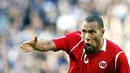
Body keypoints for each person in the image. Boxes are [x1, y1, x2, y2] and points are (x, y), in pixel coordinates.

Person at [20, 15, 130, 73]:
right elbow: (48, 44)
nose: (87, 37)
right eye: (84, 31)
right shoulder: (75, 40)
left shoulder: (117, 56)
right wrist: (36, 45)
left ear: (102, 32)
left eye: (92, 32)